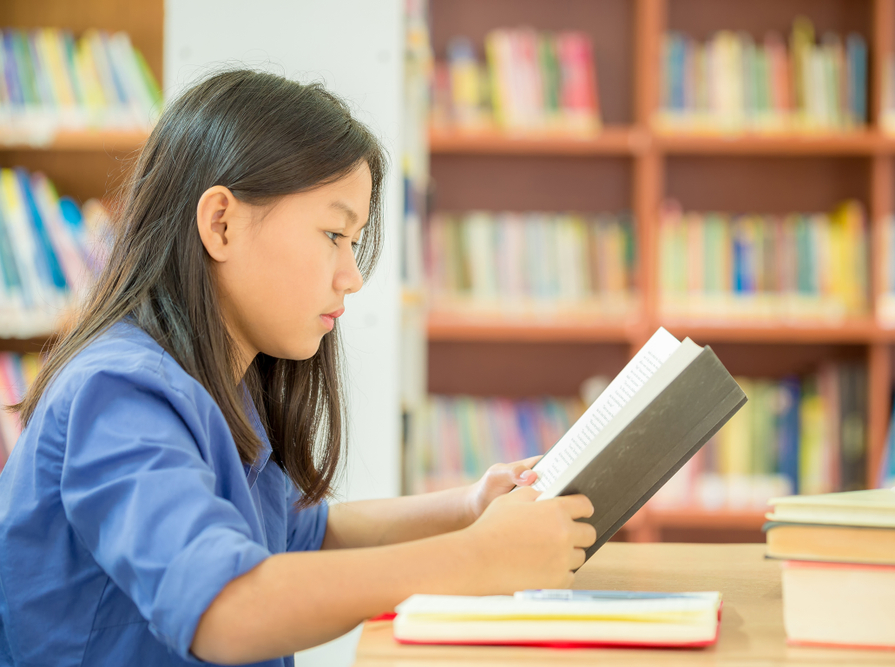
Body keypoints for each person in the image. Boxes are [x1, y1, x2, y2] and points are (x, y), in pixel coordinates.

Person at [0, 70, 596, 666]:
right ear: (221, 224)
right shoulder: (119, 392)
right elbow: (223, 608)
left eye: (353, 241)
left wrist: (467, 508)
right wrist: (477, 558)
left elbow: (302, 534)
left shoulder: (218, 382)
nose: (352, 276)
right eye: (333, 233)